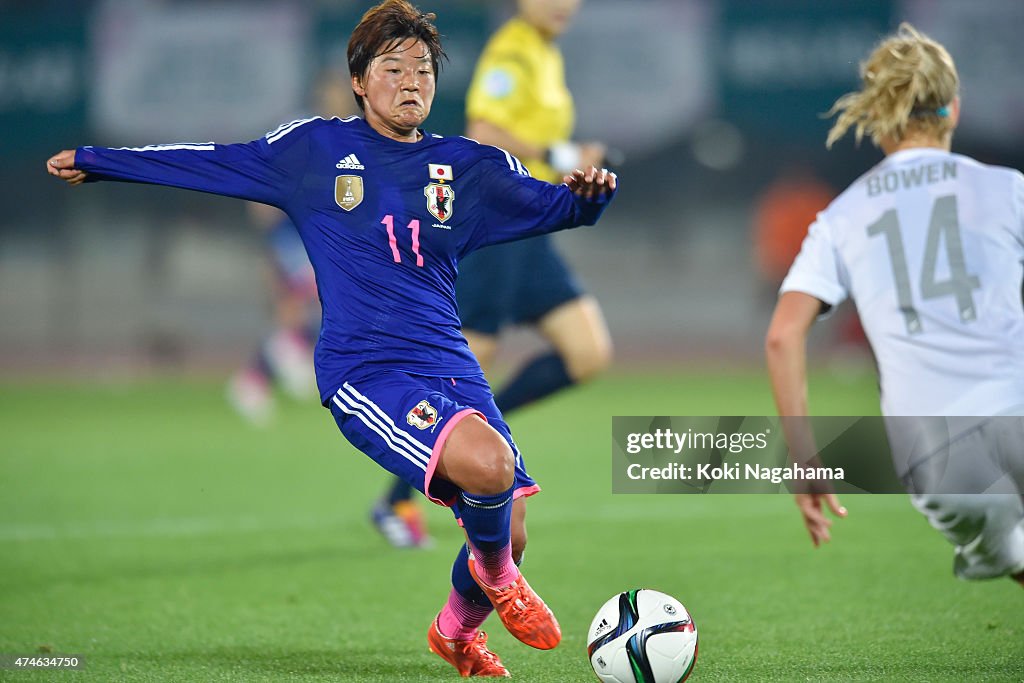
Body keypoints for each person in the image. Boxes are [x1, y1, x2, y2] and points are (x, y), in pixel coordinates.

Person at [46, 0, 618, 676]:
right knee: (491, 473)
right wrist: (101, 161)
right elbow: (213, 161)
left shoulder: (465, 167)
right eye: (393, 67)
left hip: (449, 363)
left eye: (424, 69)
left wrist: (591, 194)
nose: (412, 81)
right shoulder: (316, 149)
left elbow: (563, 208)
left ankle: (457, 633)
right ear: (358, 80)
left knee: (512, 528)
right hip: (367, 372)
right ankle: (501, 583)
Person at [765, 23, 1024, 587]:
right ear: (953, 109)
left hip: (936, 453)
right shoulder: (1009, 189)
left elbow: (783, 336)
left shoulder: (842, 216)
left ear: (877, 119)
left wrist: (804, 460)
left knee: (1014, 553)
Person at [372, 0, 614, 550]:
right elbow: (484, 130)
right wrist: (556, 150)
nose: (562, 4)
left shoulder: (542, 53)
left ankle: (478, 427)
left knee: (589, 353)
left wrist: (567, 161)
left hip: (530, 231)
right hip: (495, 226)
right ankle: (396, 500)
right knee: (468, 365)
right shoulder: (512, 50)